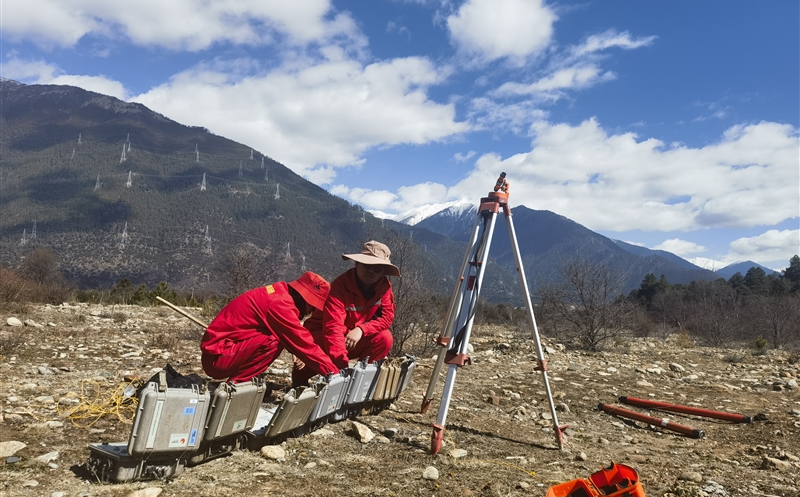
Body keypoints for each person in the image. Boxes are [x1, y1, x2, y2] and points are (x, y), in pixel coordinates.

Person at [291, 241, 400, 387]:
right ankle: (301, 378)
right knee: (313, 356)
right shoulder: (339, 287)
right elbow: (333, 329)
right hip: (323, 334)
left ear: (383, 272)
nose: (371, 271)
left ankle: (361, 384)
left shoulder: (384, 288)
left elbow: (386, 318)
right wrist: (342, 370)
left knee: (384, 338)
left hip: (352, 336)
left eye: (377, 269)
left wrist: (361, 330)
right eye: (367, 265)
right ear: (357, 263)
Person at [201, 272, 339, 383]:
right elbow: (302, 342)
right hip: (217, 359)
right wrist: (334, 373)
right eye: (313, 305)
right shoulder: (280, 304)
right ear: (302, 296)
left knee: (277, 337)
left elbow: (296, 336)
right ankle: (237, 385)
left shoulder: (280, 294)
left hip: (222, 352)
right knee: (274, 340)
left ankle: (242, 383)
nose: (312, 311)